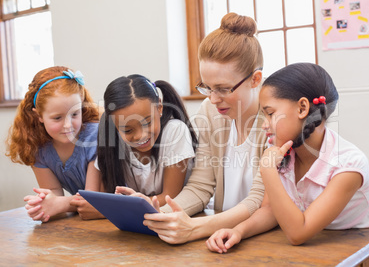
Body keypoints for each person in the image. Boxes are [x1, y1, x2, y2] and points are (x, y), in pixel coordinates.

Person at [206, 63, 369, 266]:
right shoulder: (283, 151)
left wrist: (268, 171)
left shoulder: (347, 165)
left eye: (270, 113)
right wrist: (238, 231)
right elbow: (270, 210)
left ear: (302, 108)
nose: (264, 124)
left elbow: (298, 233)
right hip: (329, 247)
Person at [139, 12, 267, 244]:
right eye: (207, 87)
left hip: (262, 237)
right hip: (220, 236)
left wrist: (196, 227)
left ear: (255, 79)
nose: (213, 98)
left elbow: (259, 200)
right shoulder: (210, 112)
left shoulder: (273, 119)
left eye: (223, 88)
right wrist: (157, 215)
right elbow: (200, 187)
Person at [6, 66, 100, 222]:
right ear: (39, 116)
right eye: (58, 118)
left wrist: (59, 204)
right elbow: (54, 193)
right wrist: (44, 205)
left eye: (75, 114)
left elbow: (93, 200)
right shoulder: (37, 147)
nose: (68, 125)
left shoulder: (94, 136)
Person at [89, 74, 197, 208]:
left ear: (159, 108)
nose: (140, 136)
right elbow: (106, 196)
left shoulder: (175, 131)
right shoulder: (110, 139)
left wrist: (121, 206)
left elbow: (170, 197)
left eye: (148, 123)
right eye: (128, 130)